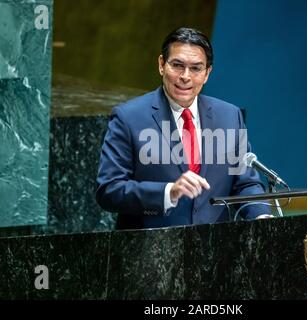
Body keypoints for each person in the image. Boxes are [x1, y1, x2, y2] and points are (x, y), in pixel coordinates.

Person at [96, 27, 270, 229]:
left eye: (196, 68)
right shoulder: (129, 117)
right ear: (162, 64)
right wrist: (168, 192)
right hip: (149, 251)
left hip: (214, 250)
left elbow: (246, 183)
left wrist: (260, 216)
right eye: (177, 65)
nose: (185, 76)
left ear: (207, 73)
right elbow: (108, 189)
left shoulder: (229, 116)